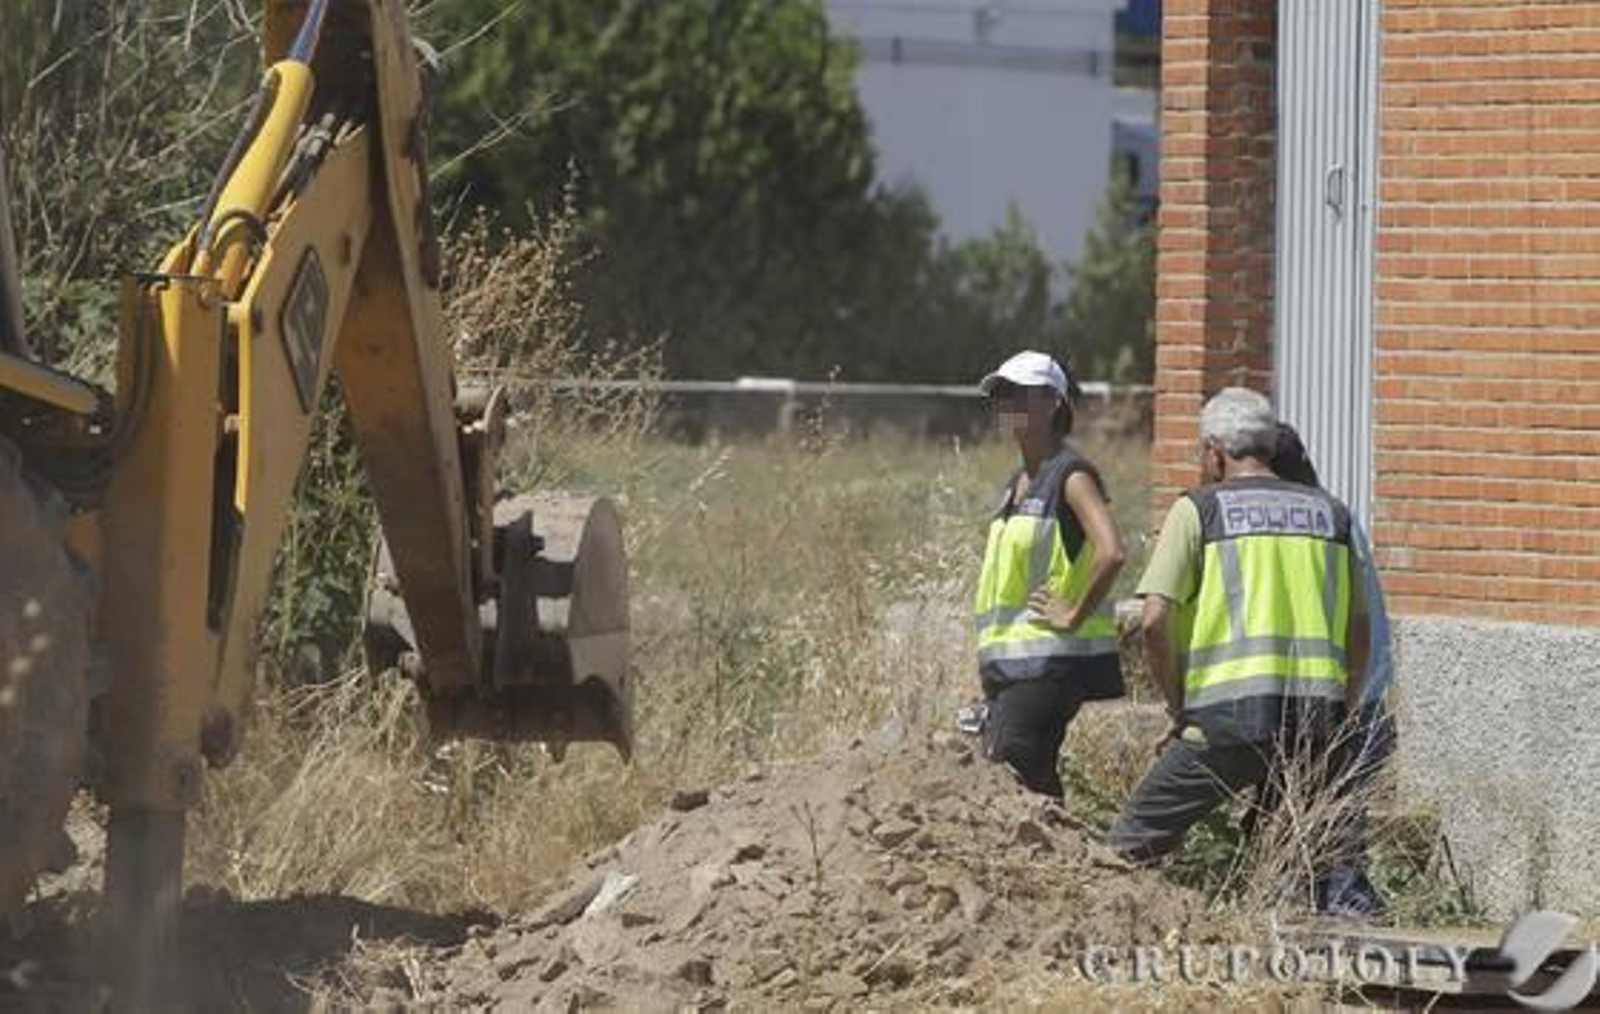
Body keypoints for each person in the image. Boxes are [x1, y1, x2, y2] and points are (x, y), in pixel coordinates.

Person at [1106, 388, 1371, 868]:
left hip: (1224, 721)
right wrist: (1343, 711)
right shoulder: (1331, 514)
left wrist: (1178, 706)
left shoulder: (1199, 511)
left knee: (1127, 847)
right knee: (1294, 866)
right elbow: (1359, 626)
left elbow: (1154, 621)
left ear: (1214, 452)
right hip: (1313, 721)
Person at [972, 350, 1127, 799]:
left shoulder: (1071, 475)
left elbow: (1112, 552)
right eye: (999, 395)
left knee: (1006, 775)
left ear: (1053, 403)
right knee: (1031, 786)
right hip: (1010, 671)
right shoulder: (1014, 484)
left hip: (1050, 667)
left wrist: (1073, 612)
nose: (1005, 405)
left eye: (1016, 394)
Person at [1271, 422, 1391, 919]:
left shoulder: (1310, 527)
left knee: (1334, 849)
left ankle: (1350, 926)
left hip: (1345, 699)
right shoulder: (1333, 517)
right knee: (1331, 839)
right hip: (1356, 695)